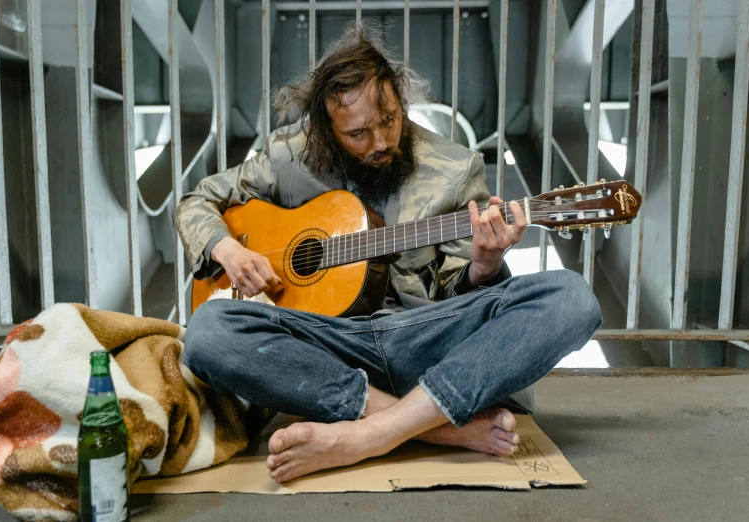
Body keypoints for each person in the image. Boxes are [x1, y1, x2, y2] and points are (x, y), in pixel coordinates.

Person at [176, 24, 601, 484]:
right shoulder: (289, 157)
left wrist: (486, 262)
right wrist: (228, 252)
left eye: (390, 120)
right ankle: (428, 428)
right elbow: (197, 200)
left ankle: (369, 433)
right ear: (326, 129)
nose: (380, 142)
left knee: (572, 297)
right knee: (208, 332)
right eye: (358, 133)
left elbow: (459, 290)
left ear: (400, 100)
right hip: (328, 344)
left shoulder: (456, 168)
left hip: (425, 339)